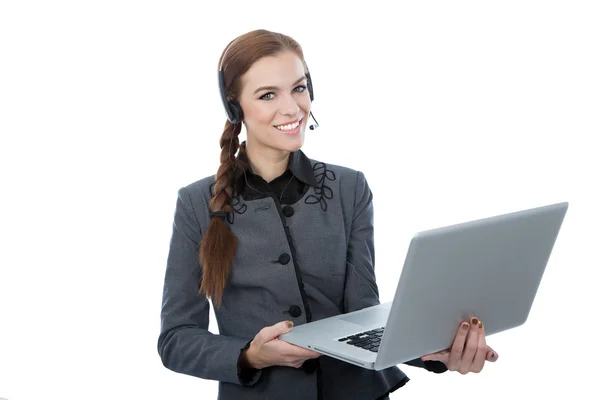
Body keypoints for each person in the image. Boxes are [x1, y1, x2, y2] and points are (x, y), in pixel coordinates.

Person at [157, 28, 499, 400]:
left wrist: (432, 351)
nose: (291, 108)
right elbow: (176, 339)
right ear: (234, 107)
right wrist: (249, 356)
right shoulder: (196, 203)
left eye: (299, 88)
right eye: (268, 94)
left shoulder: (348, 188)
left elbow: (363, 315)